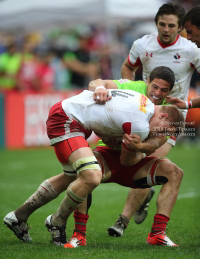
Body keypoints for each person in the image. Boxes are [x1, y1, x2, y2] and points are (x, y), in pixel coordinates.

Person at [3, 78, 184, 246]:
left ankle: (18, 216)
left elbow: (111, 115)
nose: (161, 135)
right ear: (164, 117)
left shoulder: (143, 101)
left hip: (75, 121)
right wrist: (143, 148)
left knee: (70, 177)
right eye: (163, 131)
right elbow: (128, 160)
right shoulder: (140, 124)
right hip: (67, 121)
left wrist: (137, 144)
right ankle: (57, 221)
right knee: (90, 176)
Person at [108, 2, 200, 236]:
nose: (166, 30)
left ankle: (122, 221)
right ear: (156, 23)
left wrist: (188, 104)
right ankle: (146, 192)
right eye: (162, 24)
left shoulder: (191, 49)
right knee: (136, 159)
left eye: (171, 26)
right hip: (143, 112)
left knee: (146, 158)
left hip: (170, 118)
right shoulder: (142, 44)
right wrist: (132, 92)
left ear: (180, 28)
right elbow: (127, 67)